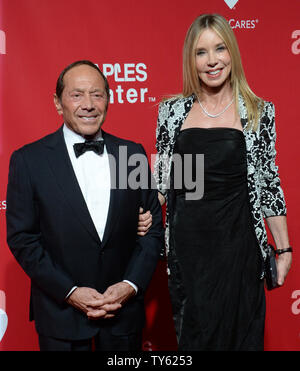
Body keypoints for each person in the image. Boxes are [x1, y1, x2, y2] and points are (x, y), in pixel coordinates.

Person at [139, 14, 292, 350]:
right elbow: (163, 179)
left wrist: (283, 249)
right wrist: (141, 211)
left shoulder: (258, 111)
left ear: (232, 52)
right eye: (201, 52)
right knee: (195, 340)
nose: (212, 61)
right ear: (191, 60)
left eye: (219, 48)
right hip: (188, 250)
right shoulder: (171, 111)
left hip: (239, 249)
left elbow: (268, 180)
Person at [6, 60, 163, 351]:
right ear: (58, 102)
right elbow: (22, 238)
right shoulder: (29, 161)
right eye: (77, 95)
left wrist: (129, 285)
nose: (88, 104)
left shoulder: (131, 154)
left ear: (108, 99)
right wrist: (70, 292)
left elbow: (153, 230)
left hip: (122, 317)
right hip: (60, 315)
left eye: (97, 94)